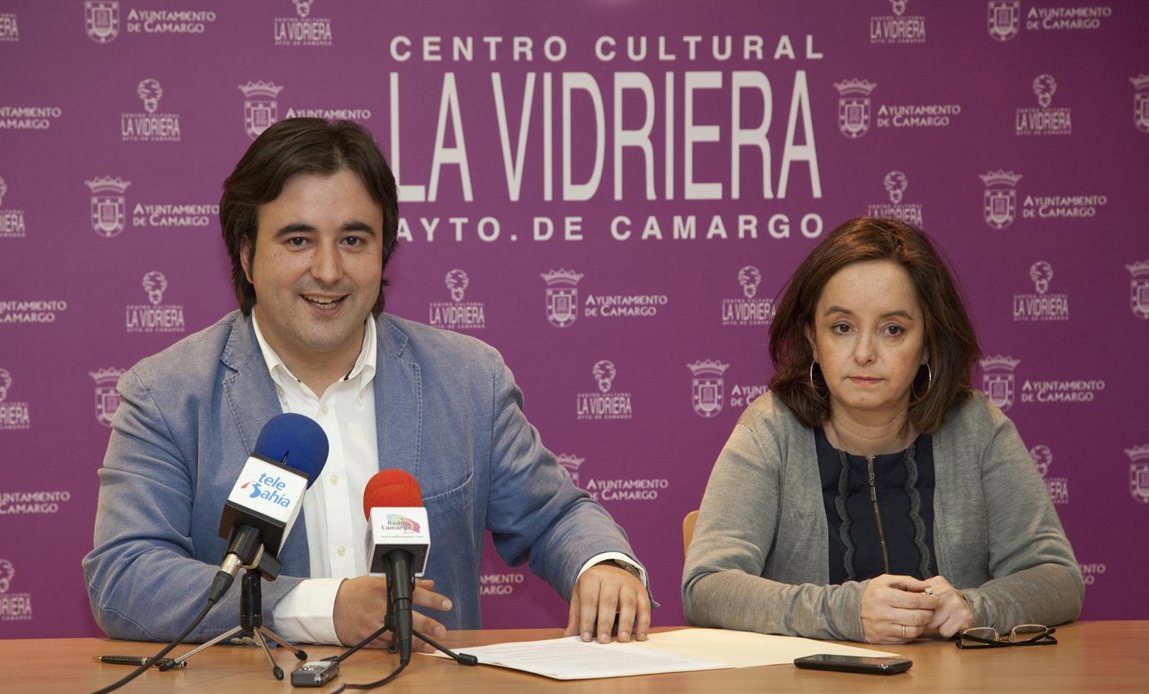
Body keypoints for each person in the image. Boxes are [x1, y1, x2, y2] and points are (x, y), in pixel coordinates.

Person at [83, 118, 651, 649]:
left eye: (353, 241)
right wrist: (320, 609)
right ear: (248, 256)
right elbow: (125, 576)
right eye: (298, 241)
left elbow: (556, 516)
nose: (329, 270)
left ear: (385, 255)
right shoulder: (167, 394)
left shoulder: (468, 380)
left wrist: (600, 564)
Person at [682, 217, 1082, 644]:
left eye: (893, 330)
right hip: (807, 684)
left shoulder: (977, 428)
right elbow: (707, 587)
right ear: (813, 339)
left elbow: (1057, 578)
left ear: (928, 342)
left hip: (955, 684)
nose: (864, 353)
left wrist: (974, 606)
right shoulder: (770, 431)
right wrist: (846, 612)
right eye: (842, 328)